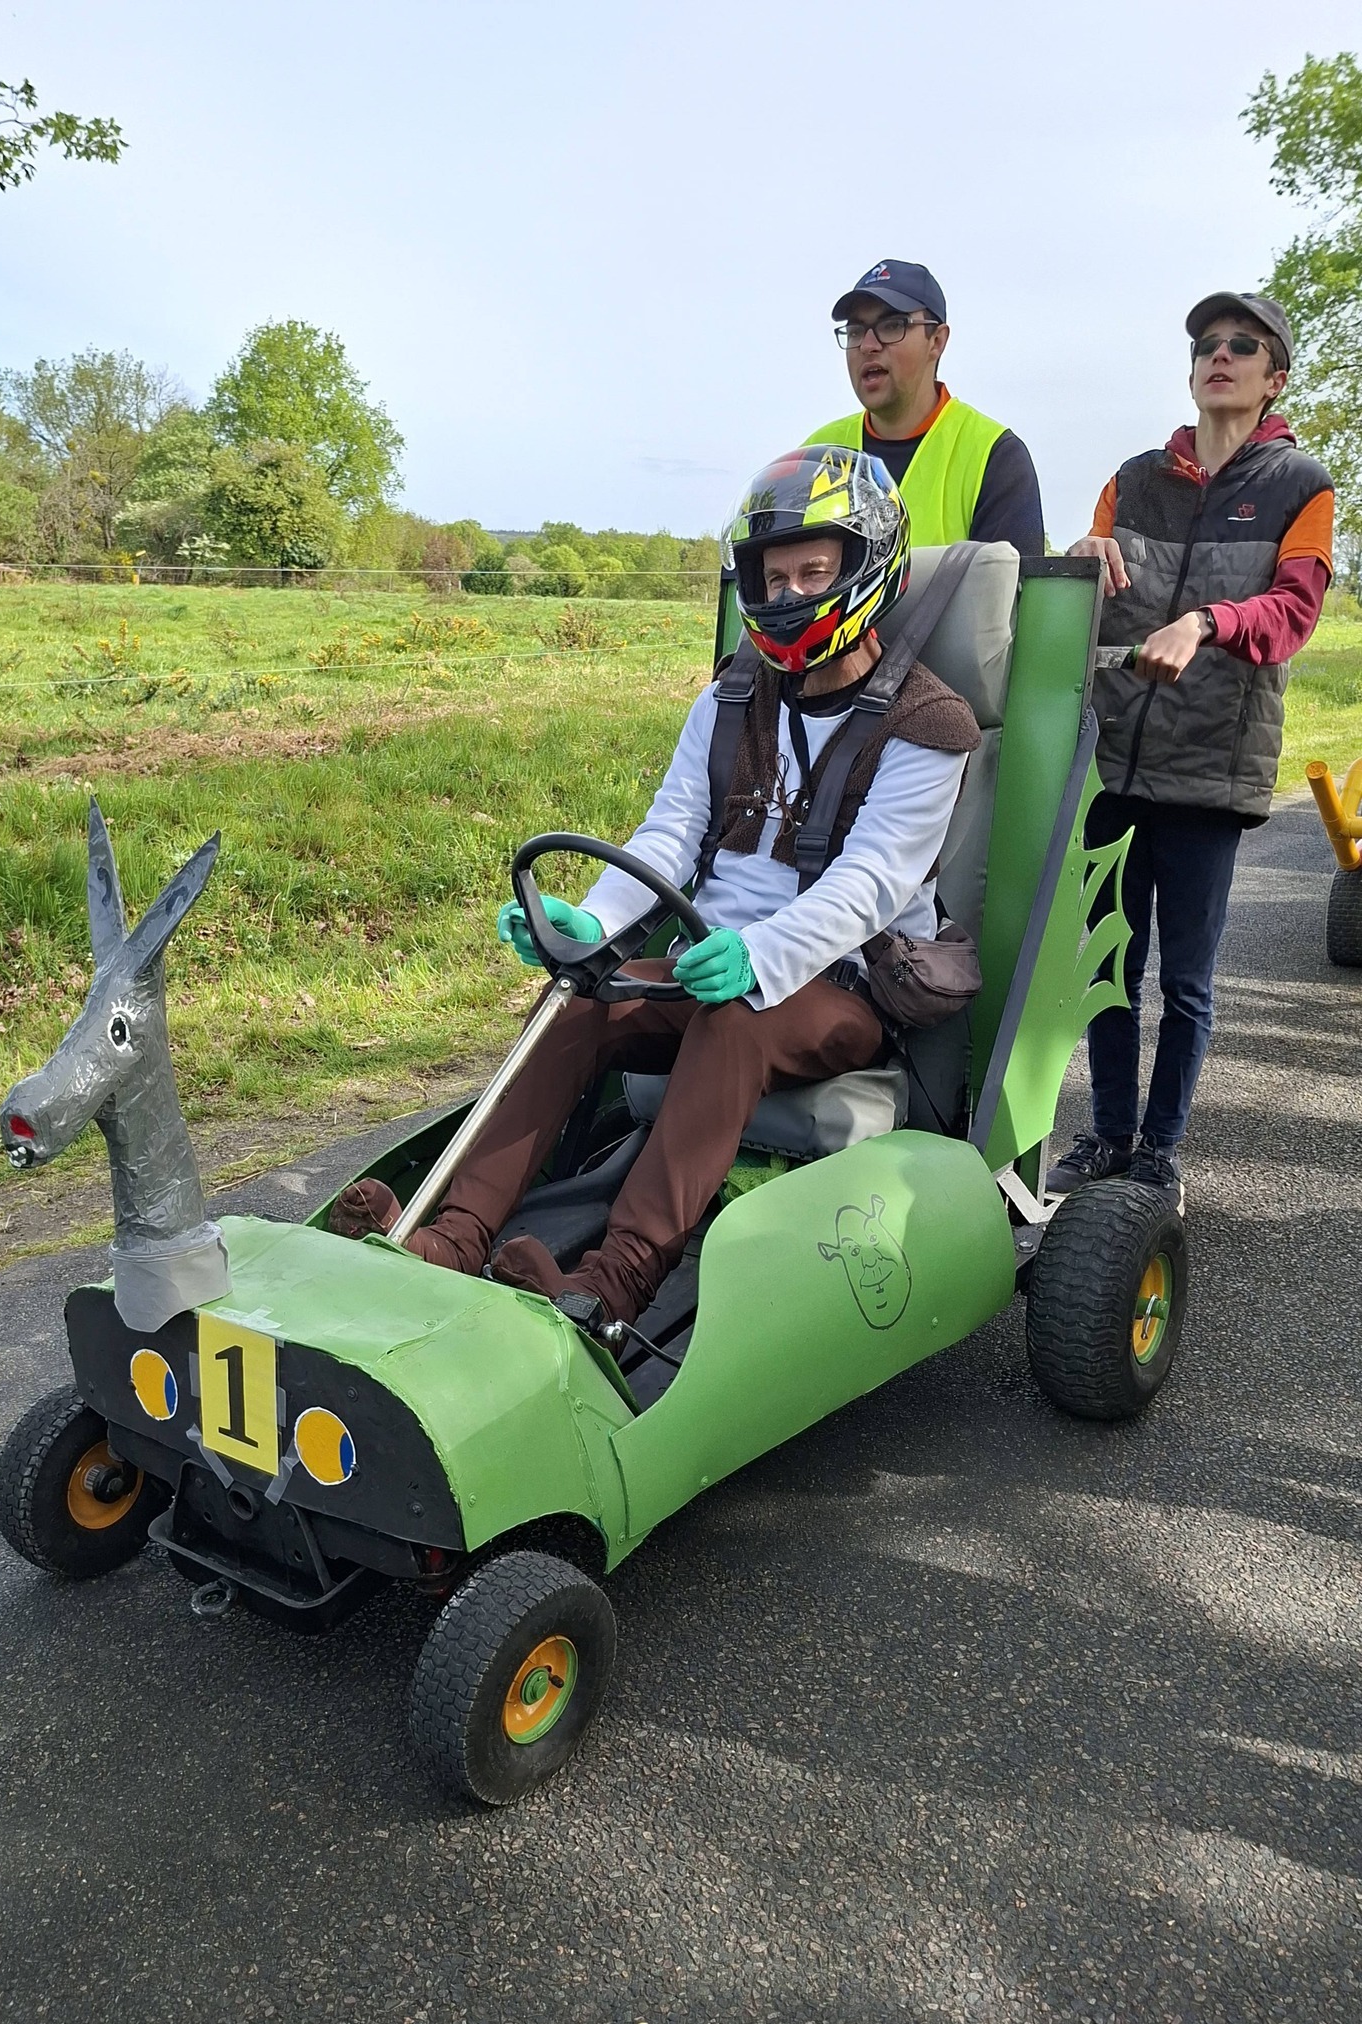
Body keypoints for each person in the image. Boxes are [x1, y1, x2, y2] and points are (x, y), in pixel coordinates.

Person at [332, 448, 980, 1327]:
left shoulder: (929, 724)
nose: (788, 594)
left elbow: (871, 883)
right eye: (774, 576)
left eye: (813, 572)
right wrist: (592, 926)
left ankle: (616, 1282)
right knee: (576, 1001)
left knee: (734, 1017)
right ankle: (447, 1235)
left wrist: (758, 955)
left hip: (840, 985)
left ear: (867, 569)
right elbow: (670, 833)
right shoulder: (732, 698)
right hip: (707, 965)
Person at [1048, 290, 1335, 1203]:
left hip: (1211, 770)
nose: (1220, 355)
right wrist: (1079, 561)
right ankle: (1109, 1135)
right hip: (1113, 763)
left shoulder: (1303, 486)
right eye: (1208, 342)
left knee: (1188, 982)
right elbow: (1076, 591)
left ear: (1273, 378)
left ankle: (1160, 1152)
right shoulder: (1133, 480)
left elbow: (1292, 614)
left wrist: (1206, 621)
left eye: (1243, 345)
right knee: (1108, 968)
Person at [804, 259, 1044, 553]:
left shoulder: (994, 456)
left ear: (937, 341)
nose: (867, 345)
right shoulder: (815, 456)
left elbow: (1010, 581)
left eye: (892, 326)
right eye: (855, 330)